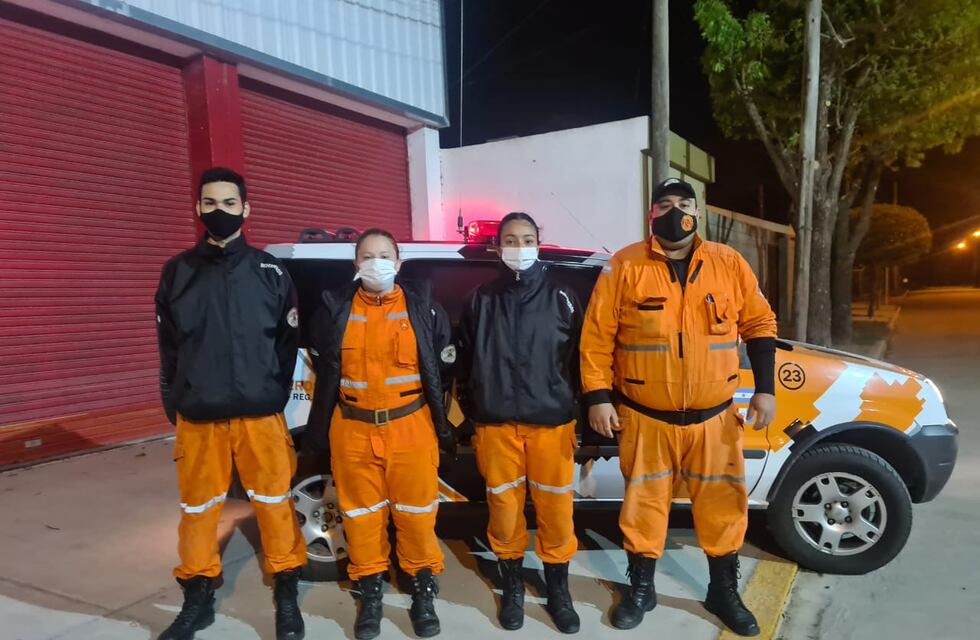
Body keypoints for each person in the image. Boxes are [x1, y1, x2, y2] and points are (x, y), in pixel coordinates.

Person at [579, 178, 777, 637]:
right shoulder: (625, 265)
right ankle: (641, 589)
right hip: (645, 418)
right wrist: (597, 396)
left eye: (684, 203)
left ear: (697, 211)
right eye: (664, 204)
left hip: (715, 420)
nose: (675, 212)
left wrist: (765, 389)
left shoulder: (729, 263)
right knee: (643, 508)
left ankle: (723, 592)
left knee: (723, 508)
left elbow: (759, 323)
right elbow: (596, 337)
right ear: (651, 214)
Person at [154, 167, 306, 640]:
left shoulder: (270, 271)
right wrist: (176, 401)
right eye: (210, 203)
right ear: (198, 208)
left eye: (228, 203)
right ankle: (198, 593)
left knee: (275, 503)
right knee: (198, 510)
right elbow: (168, 348)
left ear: (246, 208)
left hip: (260, 415)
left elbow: (287, 343)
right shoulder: (177, 272)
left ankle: (286, 588)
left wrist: (273, 393)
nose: (219, 211)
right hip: (200, 416)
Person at [305, 229, 456, 640]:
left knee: (417, 515)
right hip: (352, 427)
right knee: (361, 516)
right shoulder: (334, 310)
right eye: (368, 256)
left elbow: (443, 365)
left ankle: (421, 586)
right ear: (356, 264)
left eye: (385, 255)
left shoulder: (424, 308)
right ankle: (370, 588)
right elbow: (323, 363)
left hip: (411, 425)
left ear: (399, 262)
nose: (377, 263)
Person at [456, 212, 582, 634]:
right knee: (504, 511)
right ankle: (512, 587)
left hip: (552, 425)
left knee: (556, 511)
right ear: (497, 247)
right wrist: (474, 411)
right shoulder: (479, 299)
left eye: (527, 239)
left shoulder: (562, 297)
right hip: (496, 427)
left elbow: (580, 361)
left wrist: (574, 409)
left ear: (539, 243)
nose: (520, 248)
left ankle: (558, 590)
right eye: (511, 240)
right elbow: (464, 361)